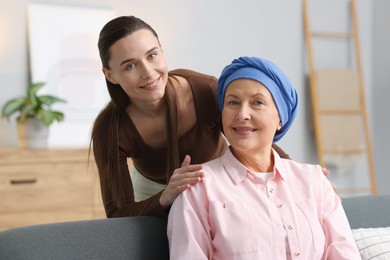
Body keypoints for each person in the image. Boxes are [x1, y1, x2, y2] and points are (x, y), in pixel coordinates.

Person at [90, 15, 326, 218]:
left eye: (152, 56)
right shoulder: (110, 130)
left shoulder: (204, 90)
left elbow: (253, 137)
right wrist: (166, 196)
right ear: (109, 75)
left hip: (217, 180)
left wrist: (300, 176)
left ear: (162, 49)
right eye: (129, 66)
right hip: (154, 193)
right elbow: (118, 213)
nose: (148, 73)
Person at [167, 56, 360, 259]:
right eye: (232, 102)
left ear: (280, 119)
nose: (242, 114)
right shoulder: (198, 187)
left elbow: (344, 253)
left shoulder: (315, 181)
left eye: (257, 102)